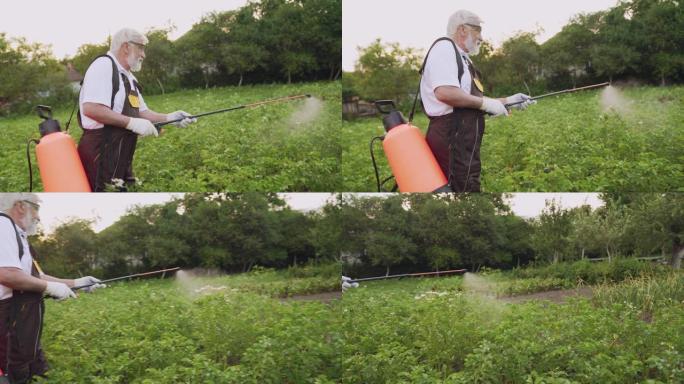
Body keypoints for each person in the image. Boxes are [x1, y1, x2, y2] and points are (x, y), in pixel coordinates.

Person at [420, 10, 535, 192]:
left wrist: (508, 101)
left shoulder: (464, 59)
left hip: (464, 139)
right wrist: (485, 104)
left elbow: (471, 100)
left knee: (468, 186)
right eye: (477, 31)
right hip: (451, 138)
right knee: (459, 193)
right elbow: (445, 93)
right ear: (462, 30)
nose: (481, 37)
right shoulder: (444, 49)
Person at [0, 194, 105, 383]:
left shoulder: (18, 234)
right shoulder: (2, 225)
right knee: (15, 372)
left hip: (24, 322)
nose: (39, 217)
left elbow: (34, 276)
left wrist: (77, 283)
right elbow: (7, 274)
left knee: (36, 368)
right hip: (7, 321)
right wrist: (49, 287)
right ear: (20, 206)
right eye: (37, 208)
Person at [77, 28, 197, 192]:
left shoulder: (129, 77)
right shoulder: (103, 66)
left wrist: (170, 117)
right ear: (126, 47)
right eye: (140, 48)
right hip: (101, 151)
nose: (143, 54)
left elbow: (142, 112)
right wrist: (131, 123)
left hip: (122, 153)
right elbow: (91, 108)